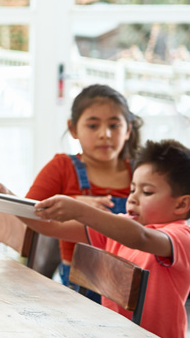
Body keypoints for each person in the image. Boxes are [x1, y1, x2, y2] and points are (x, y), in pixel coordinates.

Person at [0, 139, 190, 338]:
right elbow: (50, 227)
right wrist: (7, 198)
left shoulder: (180, 236)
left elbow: (141, 238)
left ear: (182, 204)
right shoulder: (119, 227)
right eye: (132, 190)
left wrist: (80, 210)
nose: (133, 199)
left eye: (146, 192)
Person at [25, 85, 141, 295]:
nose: (105, 134)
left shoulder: (142, 172)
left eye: (114, 125)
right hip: (79, 288)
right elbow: (28, 211)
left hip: (136, 286)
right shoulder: (61, 167)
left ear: (128, 130)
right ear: (73, 129)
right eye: (93, 125)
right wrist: (74, 203)